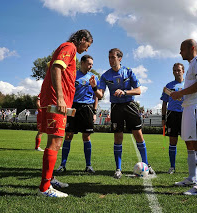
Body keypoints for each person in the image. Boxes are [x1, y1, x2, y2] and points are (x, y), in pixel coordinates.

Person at [38, 29, 93, 198]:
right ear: (82, 39)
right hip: (57, 101)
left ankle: (50, 178)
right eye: (87, 45)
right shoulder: (69, 47)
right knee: (55, 142)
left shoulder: (69, 50)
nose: (87, 49)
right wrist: (60, 98)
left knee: (54, 142)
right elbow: (56, 68)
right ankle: (45, 188)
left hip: (58, 101)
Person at [90, 48, 155, 179]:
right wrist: (94, 87)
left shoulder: (129, 71)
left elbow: (138, 90)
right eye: (109, 57)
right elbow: (100, 95)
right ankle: (118, 169)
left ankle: (146, 164)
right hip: (115, 108)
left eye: (113, 57)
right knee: (118, 137)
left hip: (130, 105)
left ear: (120, 58)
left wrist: (125, 92)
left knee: (138, 135)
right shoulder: (105, 76)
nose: (110, 60)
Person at [171, 39, 197, 195]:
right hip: (188, 107)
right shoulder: (191, 65)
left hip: (196, 108)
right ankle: (192, 178)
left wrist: (180, 93)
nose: (180, 52)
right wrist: (181, 96)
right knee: (189, 143)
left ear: (191, 48)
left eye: (182, 49)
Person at [56, 55, 99, 174]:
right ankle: (62, 165)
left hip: (87, 109)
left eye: (92, 64)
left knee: (86, 136)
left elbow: (97, 96)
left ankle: (88, 166)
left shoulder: (93, 77)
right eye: (89, 64)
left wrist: (94, 112)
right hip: (73, 107)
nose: (91, 66)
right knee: (68, 135)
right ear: (82, 62)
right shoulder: (73, 75)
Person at [160, 63, 185, 174]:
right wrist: (163, 117)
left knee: (190, 141)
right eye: (174, 70)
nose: (176, 72)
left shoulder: (188, 84)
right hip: (172, 115)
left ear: (183, 71)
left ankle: (193, 167)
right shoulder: (168, 86)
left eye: (178, 70)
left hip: (186, 114)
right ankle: (172, 167)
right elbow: (164, 103)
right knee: (173, 141)